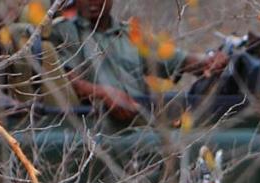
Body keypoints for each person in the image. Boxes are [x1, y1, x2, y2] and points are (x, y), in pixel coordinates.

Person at [50, 0, 226, 121]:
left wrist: (210, 60)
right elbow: (66, 80)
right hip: (96, 120)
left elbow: (177, 59)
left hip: (139, 116)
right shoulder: (65, 32)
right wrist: (105, 94)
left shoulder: (131, 33)